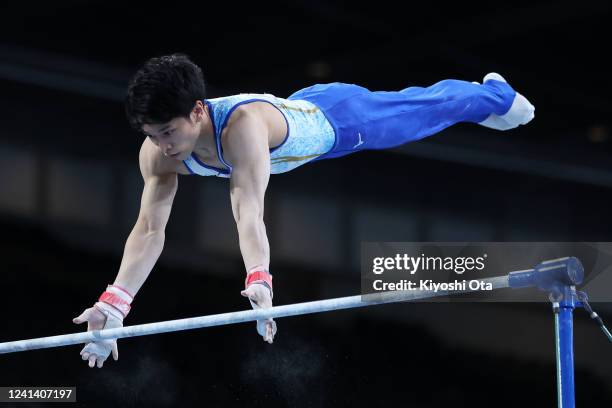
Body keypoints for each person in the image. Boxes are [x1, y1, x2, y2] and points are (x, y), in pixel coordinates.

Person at [72, 53, 535, 368]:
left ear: (197, 111)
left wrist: (259, 277)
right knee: (420, 108)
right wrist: (116, 303)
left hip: (339, 120)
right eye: (152, 134)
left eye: (167, 132)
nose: (161, 146)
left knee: (424, 111)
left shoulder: (241, 128)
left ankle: (493, 93)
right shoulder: (156, 155)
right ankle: (485, 98)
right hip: (306, 105)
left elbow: (247, 207)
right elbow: (150, 230)